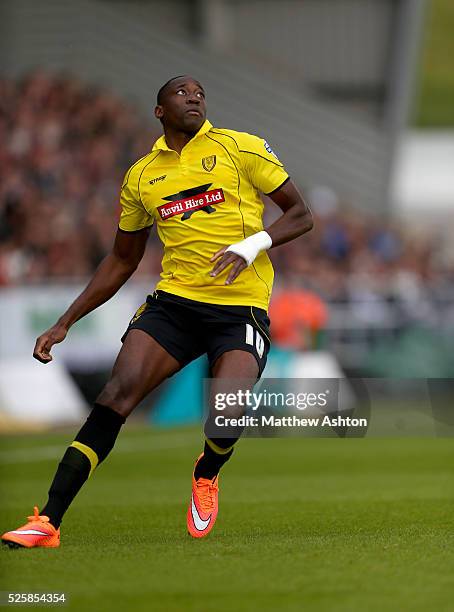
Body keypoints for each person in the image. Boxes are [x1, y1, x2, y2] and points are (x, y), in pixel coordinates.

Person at [2, 75, 313, 548]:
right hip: (175, 306)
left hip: (239, 309)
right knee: (115, 396)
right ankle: (47, 521)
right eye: (182, 92)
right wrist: (65, 321)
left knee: (225, 415)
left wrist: (253, 245)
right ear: (159, 111)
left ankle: (206, 473)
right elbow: (123, 259)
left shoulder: (240, 149)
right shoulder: (143, 176)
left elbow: (300, 213)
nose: (194, 97)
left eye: (201, 92)